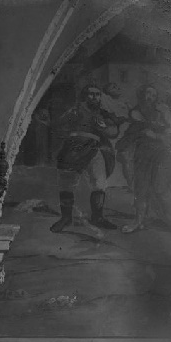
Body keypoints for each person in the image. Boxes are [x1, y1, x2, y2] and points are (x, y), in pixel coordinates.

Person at [50, 84, 119, 233]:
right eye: (91, 94)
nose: (95, 97)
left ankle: (97, 217)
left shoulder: (103, 113)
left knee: (99, 183)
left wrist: (103, 128)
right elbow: (57, 126)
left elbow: (114, 132)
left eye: (98, 94)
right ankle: (66, 218)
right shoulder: (75, 110)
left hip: (94, 149)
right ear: (84, 96)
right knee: (67, 184)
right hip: (73, 150)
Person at [119, 85, 171, 236]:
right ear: (141, 95)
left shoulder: (162, 110)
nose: (150, 97)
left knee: (162, 188)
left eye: (153, 94)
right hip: (142, 154)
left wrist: (157, 135)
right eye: (147, 93)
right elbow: (132, 133)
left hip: (160, 154)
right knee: (140, 189)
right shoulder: (135, 112)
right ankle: (138, 220)